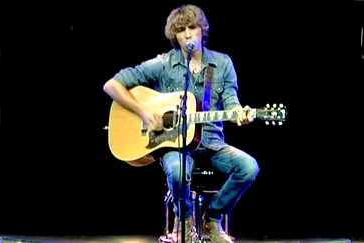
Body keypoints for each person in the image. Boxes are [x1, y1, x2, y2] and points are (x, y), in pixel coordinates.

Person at [103, 4, 259, 243]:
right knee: (177, 171)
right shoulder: (163, 63)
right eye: (181, 30)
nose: (188, 34)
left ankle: (212, 219)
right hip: (173, 145)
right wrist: (144, 111)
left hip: (212, 144)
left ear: (202, 30)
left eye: (192, 28)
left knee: (249, 167)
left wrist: (239, 113)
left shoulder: (223, 63)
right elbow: (111, 85)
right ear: (174, 35)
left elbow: (231, 101)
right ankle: (183, 223)